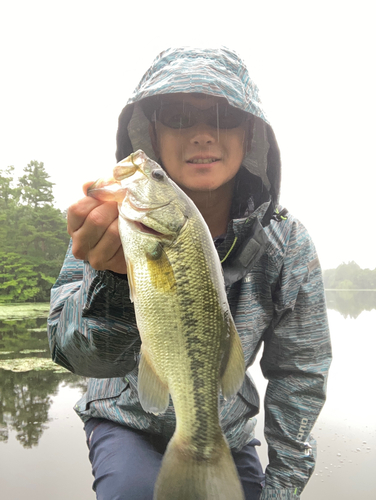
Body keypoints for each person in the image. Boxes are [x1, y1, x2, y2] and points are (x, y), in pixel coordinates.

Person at [47, 47, 332, 500]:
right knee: (133, 491)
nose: (202, 134)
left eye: (225, 115)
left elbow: (300, 374)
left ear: (251, 134)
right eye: (177, 115)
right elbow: (77, 356)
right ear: (150, 132)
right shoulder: (109, 224)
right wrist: (115, 283)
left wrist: (281, 489)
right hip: (123, 420)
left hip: (223, 428)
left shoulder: (287, 243)